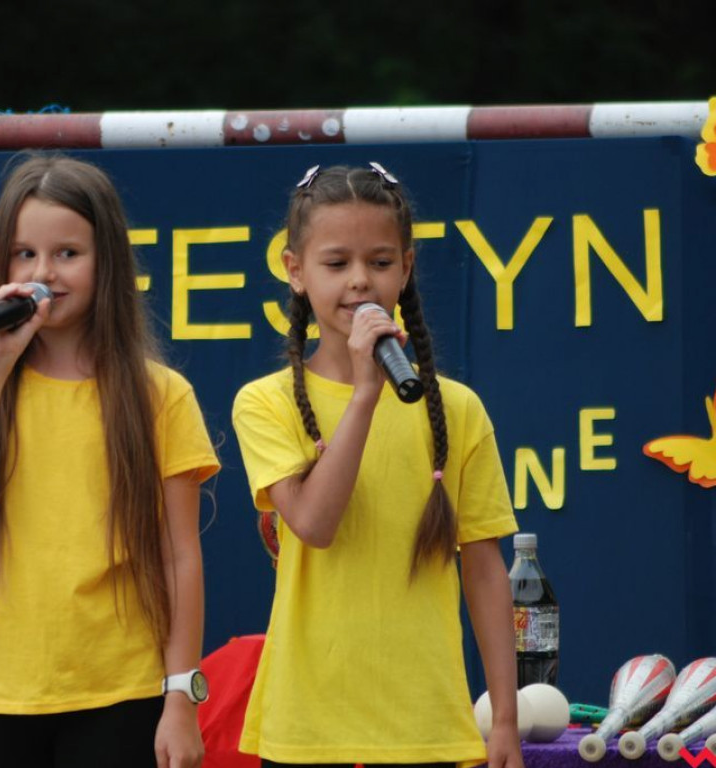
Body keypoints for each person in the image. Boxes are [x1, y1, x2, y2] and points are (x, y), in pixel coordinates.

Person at [0, 153, 219, 768]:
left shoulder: (158, 394)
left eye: (67, 254)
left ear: (106, 261)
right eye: (25, 254)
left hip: (121, 687)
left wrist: (180, 698)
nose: (43, 272)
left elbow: (179, 556)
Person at [231, 163, 523, 768]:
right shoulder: (265, 402)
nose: (360, 282)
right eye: (337, 264)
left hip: (428, 728)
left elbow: (487, 572)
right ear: (294, 270)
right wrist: (365, 394)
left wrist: (505, 722)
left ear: (407, 267)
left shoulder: (459, 409)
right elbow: (314, 524)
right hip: (308, 728)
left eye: (381, 262)